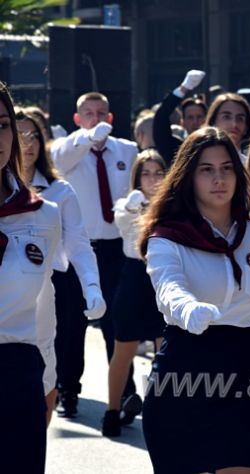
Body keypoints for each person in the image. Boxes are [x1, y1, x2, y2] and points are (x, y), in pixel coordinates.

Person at [139, 127, 250, 474]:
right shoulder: (168, 237)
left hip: (247, 373)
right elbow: (168, 287)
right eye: (207, 169)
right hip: (185, 371)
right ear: (188, 177)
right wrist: (189, 309)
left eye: (227, 168)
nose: (219, 178)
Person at [50, 91, 138, 418]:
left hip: (116, 248)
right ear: (77, 119)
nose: (96, 118)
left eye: (101, 113)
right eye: (88, 113)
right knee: (72, 325)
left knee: (119, 323)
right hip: (77, 249)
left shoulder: (127, 150)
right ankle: (67, 391)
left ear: (111, 118)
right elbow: (61, 157)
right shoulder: (66, 150)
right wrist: (87, 138)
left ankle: (126, 394)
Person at [16, 108, 105, 426]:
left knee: (46, 366)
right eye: (19, 134)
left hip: (48, 288)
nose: (27, 144)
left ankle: (36, 437)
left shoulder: (60, 191)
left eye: (34, 136)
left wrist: (92, 286)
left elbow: (78, 244)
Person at [0, 81, 61, 473]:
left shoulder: (44, 214)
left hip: (17, 374)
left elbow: (44, 307)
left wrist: (48, 382)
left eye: (3, 125)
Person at [102, 149, 167, 437]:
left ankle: (163, 413)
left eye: (157, 172)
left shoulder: (173, 206)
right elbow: (122, 223)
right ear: (136, 176)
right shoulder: (127, 203)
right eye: (146, 173)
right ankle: (112, 411)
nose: (152, 179)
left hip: (163, 279)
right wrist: (133, 206)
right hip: (133, 278)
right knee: (123, 350)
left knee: (165, 353)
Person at [153, 70, 207, 165]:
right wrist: (183, 88)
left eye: (199, 116)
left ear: (206, 119)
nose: (195, 122)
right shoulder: (174, 147)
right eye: (190, 117)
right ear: (183, 122)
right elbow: (161, 119)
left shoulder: (215, 145)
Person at [205, 92, 250, 156]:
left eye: (240, 119)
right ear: (213, 121)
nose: (234, 124)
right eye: (226, 117)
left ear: (246, 127)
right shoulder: (199, 162)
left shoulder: (249, 165)